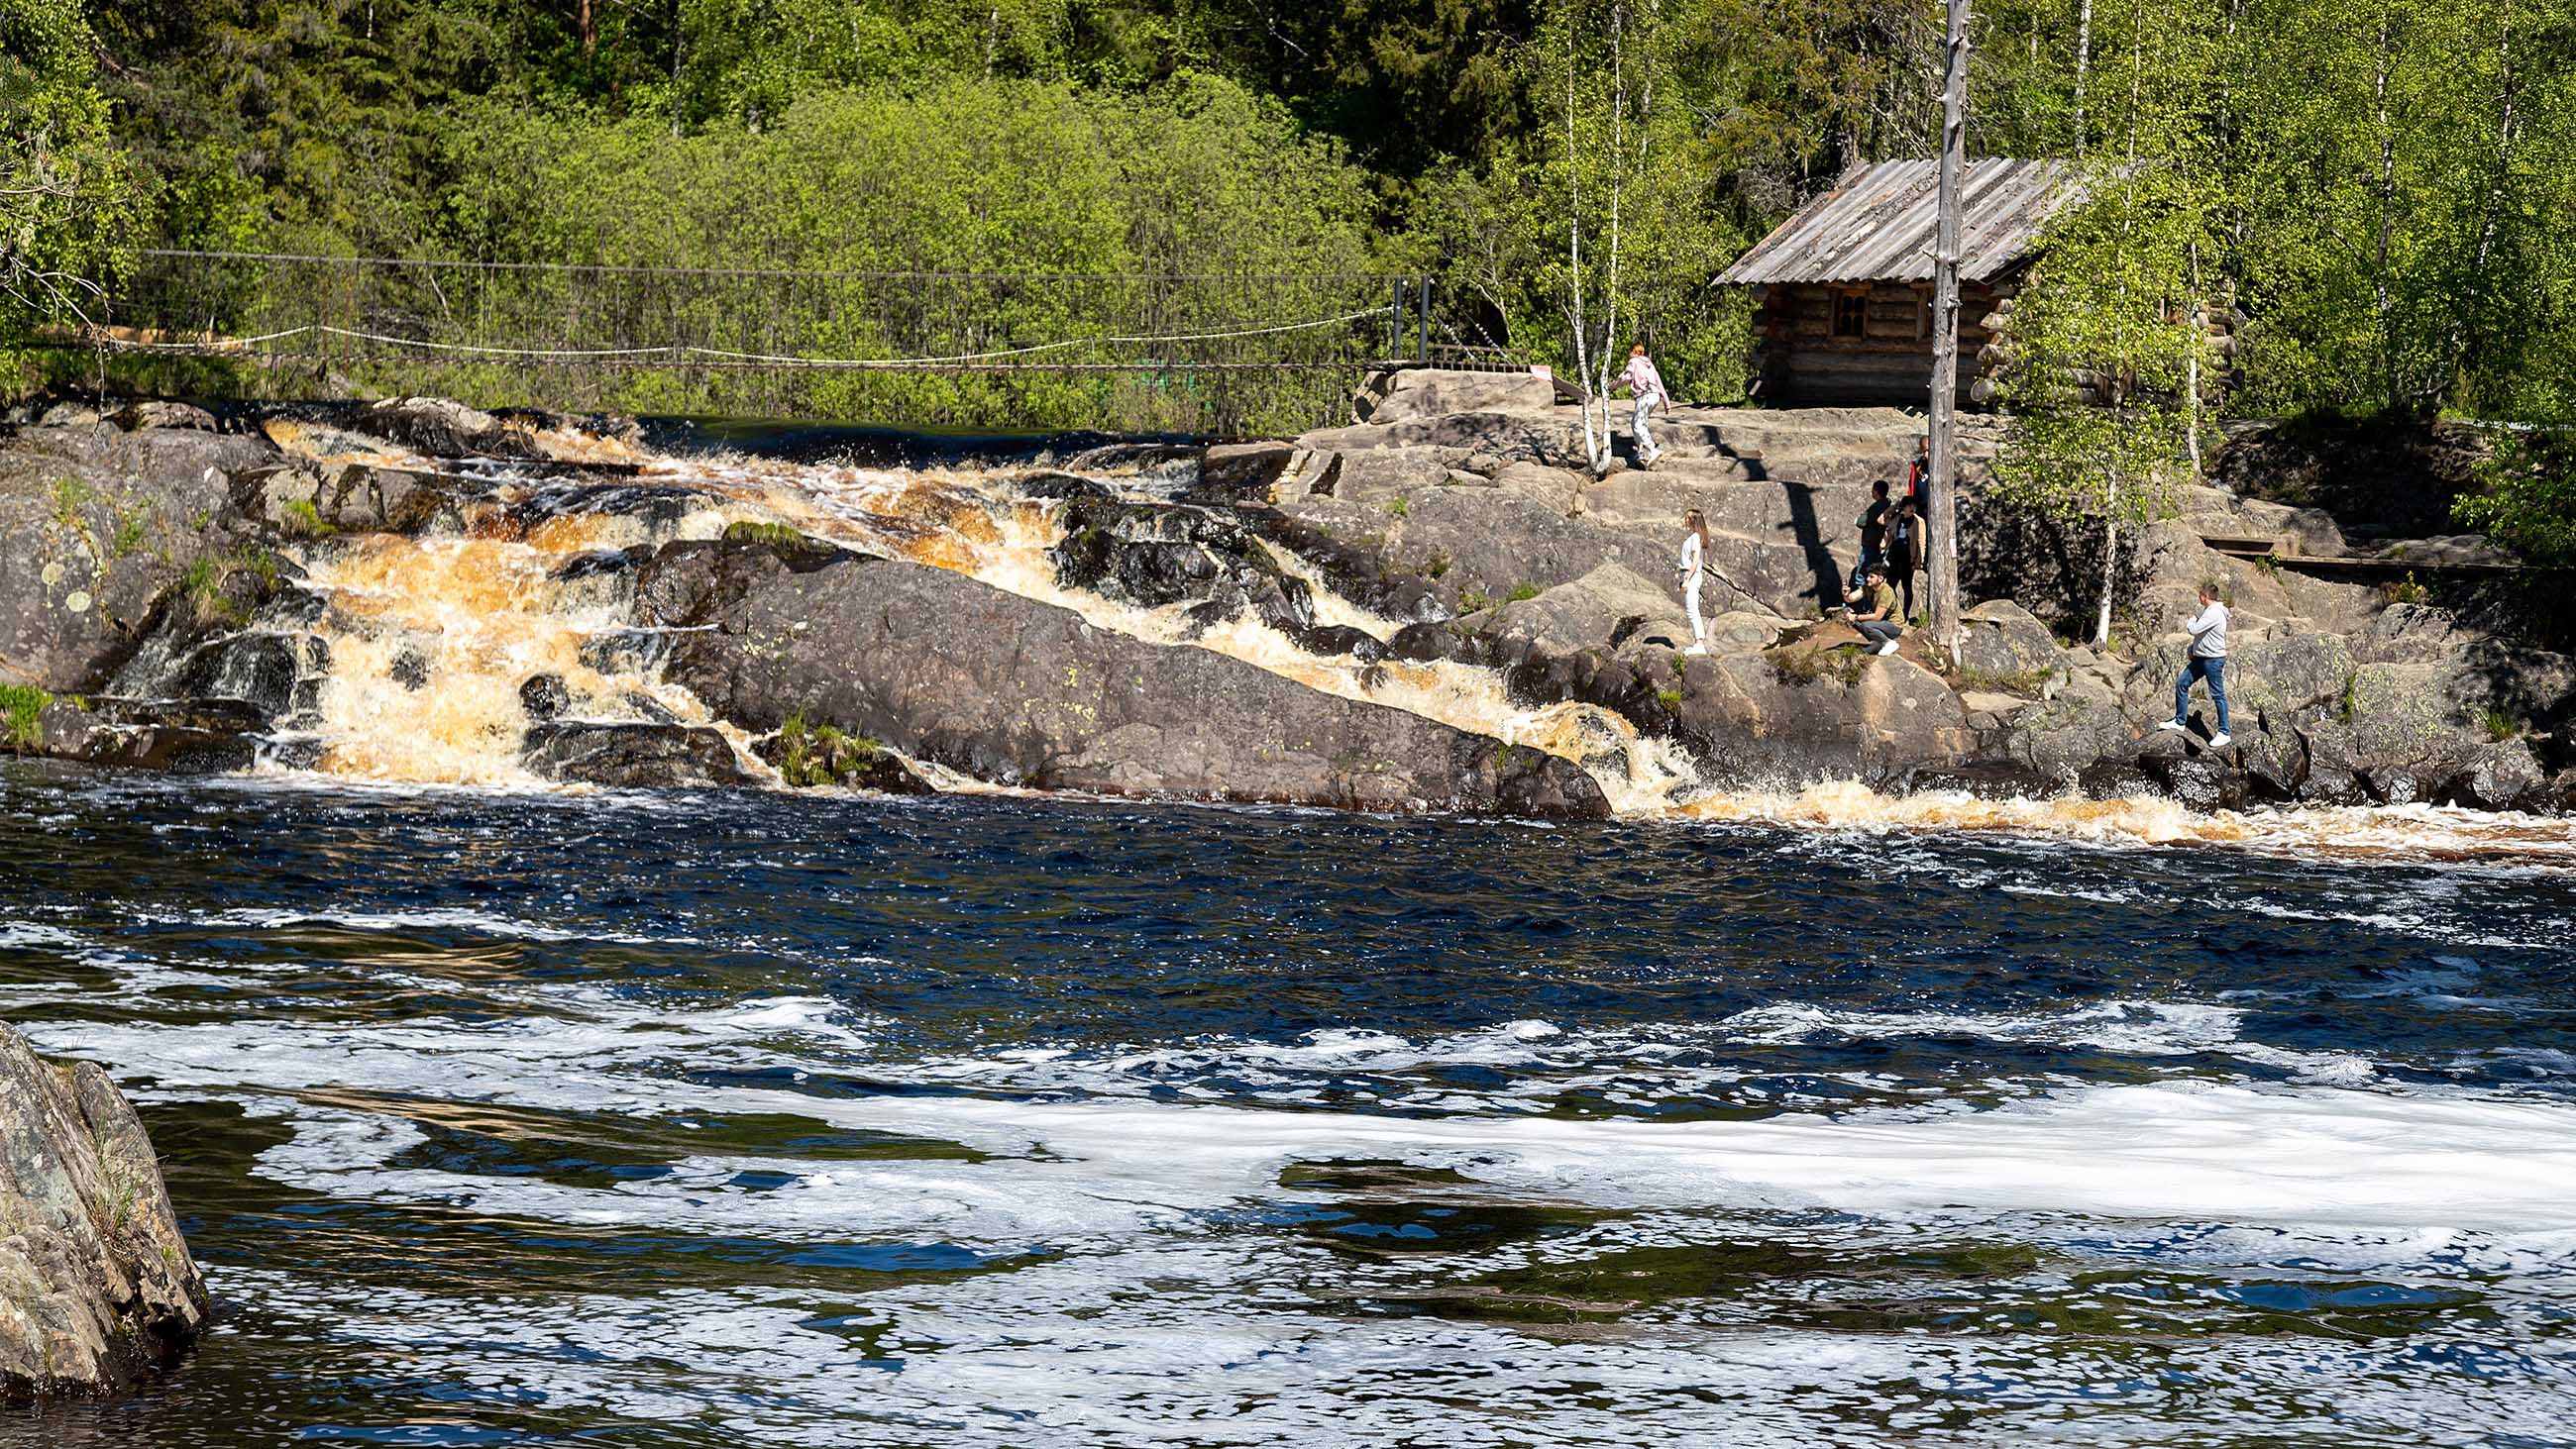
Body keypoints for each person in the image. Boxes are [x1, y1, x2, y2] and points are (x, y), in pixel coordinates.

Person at [2160, 583, 2232, 748]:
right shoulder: (2210, 611)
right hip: (2201, 659)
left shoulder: (2214, 612)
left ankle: (2224, 732)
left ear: (2205, 597)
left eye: (2200, 595)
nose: (2199, 598)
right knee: (2182, 683)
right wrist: (2193, 649)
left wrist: (2192, 619)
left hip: (2213, 660)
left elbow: (2194, 630)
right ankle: (2179, 721)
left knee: (2217, 695)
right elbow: (2204, 635)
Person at [1617, 344, 1671, 469]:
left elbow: (1627, 377)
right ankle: (1640, 453)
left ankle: (1652, 449)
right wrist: (1666, 402)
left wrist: (1611, 386)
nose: (1629, 354)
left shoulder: (1633, 362)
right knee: (1641, 423)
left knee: (1637, 425)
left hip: (1645, 396)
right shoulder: (1650, 365)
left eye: (1630, 351)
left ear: (1633, 351)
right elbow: (1659, 383)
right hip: (1654, 396)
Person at [1843, 567, 1903, 656]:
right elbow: (1851, 599)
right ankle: (1878, 643)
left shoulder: (1886, 592)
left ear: (1880, 579)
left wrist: (1856, 616)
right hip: (1881, 624)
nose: (1867, 579)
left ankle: (1888, 643)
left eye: (1871, 577)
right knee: (1847, 613)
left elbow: (1877, 617)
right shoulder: (1868, 588)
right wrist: (1846, 595)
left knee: (1866, 624)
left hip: (1894, 626)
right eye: (1868, 576)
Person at [1676, 508, 1712, 655]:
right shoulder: (1695, 537)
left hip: (1691, 575)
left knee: (1692, 610)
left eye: (1687, 518)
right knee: (1691, 609)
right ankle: (1698, 643)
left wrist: (1686, 579)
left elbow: (1696, 560)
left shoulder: (1696, 537)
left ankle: (1699, 644)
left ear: (1693, 520)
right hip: (1690, 574)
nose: (1685, 520)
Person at [1885, 495, 1925, 622]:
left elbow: (1921, 541)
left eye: (1914, 506)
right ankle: (1896, 612)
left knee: (1906, 586)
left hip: (1908, 557)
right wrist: (1896, 506)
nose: (1912, 508)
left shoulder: (1918, 521)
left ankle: (1905, 614)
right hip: (1895, 555)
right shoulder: (1897, 518)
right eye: (1910, 505)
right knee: (1890, 586)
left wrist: (1919, 561)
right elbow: (1883, 519)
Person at [1851, 479, 1891, 591]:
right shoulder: (1888, 506)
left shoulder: (1877, 507)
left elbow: (1861, 522)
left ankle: (1863, 604)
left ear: (1876, 492)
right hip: (1881, 545)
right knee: (1876, 576)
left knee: (1862, 575)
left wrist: (1857, 520)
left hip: (1870, 545)